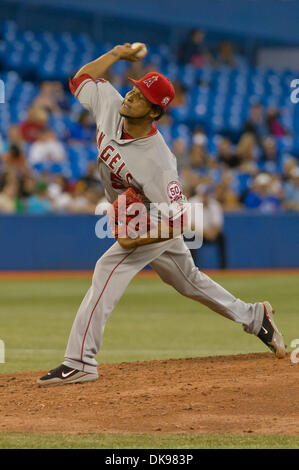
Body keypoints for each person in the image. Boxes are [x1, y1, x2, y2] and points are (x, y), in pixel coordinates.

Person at [38, 43, 286, 386]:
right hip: (134, 212)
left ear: (155, 113)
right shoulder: (112, 105)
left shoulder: (160, 163)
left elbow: (181, 222)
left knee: (107, 267)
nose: (130, 96)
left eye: (140, 97)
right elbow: (80, 79)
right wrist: (115, 54)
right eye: (133, 89)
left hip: (155, 219)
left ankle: (80, 360)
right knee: (186, 280)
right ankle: (255, 316)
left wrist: (138, 237)